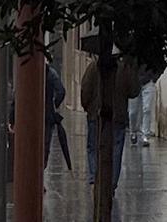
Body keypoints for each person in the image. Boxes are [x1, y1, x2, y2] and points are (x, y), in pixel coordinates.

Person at [80, 57, 140, 190]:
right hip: (117, 116)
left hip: (96, 115)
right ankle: (111, 183)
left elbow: (85, 90)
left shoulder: (93, 67)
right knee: (116, 150)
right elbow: (134, 91)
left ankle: (95, 178)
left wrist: (88, 108)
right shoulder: (123, 68)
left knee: (93, 147)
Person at [129, 66, 160, 146]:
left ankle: (145, 135)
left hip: (148, 82)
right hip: (134, 83)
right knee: (133, 112)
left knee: (147, 109)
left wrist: (154, 78)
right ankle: (133, 131)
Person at [44, 61, 66, 167]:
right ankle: (42, 169)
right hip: (48, 115)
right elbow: (61, 91)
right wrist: (54, 105)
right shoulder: (51, 73)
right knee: (46, 145)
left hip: (33, 117)